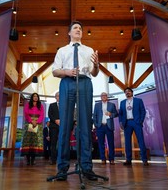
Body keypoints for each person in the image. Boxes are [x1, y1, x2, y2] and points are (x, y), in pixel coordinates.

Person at [52, 21, 99, 181]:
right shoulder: (62, 51)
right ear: (69, 33)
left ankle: (86, 167)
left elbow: (95, 72)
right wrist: (66, 71)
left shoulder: (89, 50)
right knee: (65, 125)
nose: (79, 30)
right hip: (67, 82)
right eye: (75, 28)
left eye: (80, 28)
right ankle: (62, 168)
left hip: (85, 82)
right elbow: (54, 71)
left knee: (85, 125)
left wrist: (97, 65)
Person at [119, 87, 149, 166]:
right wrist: (121, 122)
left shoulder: (138, 100)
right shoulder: (122, 102)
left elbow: (143, 111)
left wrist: (140, 121)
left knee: (141, 140)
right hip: (127, 123)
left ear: (132, 92)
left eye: (129, 91)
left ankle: (144, 159)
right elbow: (121, 113)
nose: (127, 92)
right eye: (126, 92)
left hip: (136, 122)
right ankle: (128, 159)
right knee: (127, 142)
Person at [93, 92, 118, 165]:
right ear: (101, 97)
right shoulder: (97, 105)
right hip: (100, 126)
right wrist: (96, 125)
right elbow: (94, 116)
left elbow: (116, 114)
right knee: (101, 144)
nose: (103, 96)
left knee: (111, 143)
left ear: (107, 97)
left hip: (109, 126)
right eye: (102, 95)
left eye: (105, 95)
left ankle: (111, 159)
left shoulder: (112, 105)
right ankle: (103, 159)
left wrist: (111, 114)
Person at [21, 93, 45, 165]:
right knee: (29, 141)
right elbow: (26, 113)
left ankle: (33, 159)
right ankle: (28, 160)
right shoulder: (28, 104)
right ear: (32, 97)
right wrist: (31, 121)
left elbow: (42, 115)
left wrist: (37, 122)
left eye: (37, 96)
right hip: (29, 123)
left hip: (38, 124)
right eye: (34, 96)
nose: (35, 98)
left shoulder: (40, 105)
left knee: (35, 141)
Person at [48, 92, 60, 165]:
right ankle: (53, 160)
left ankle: (62, 159)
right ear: (55, 97)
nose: (59, 97)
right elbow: (50, 114)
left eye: (60, 96)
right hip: (53, 126)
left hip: (62, 126)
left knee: (62, 143)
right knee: (53, 143)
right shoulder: (52, 105)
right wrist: (55, 120)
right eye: (58, 96)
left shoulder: (65, 105)